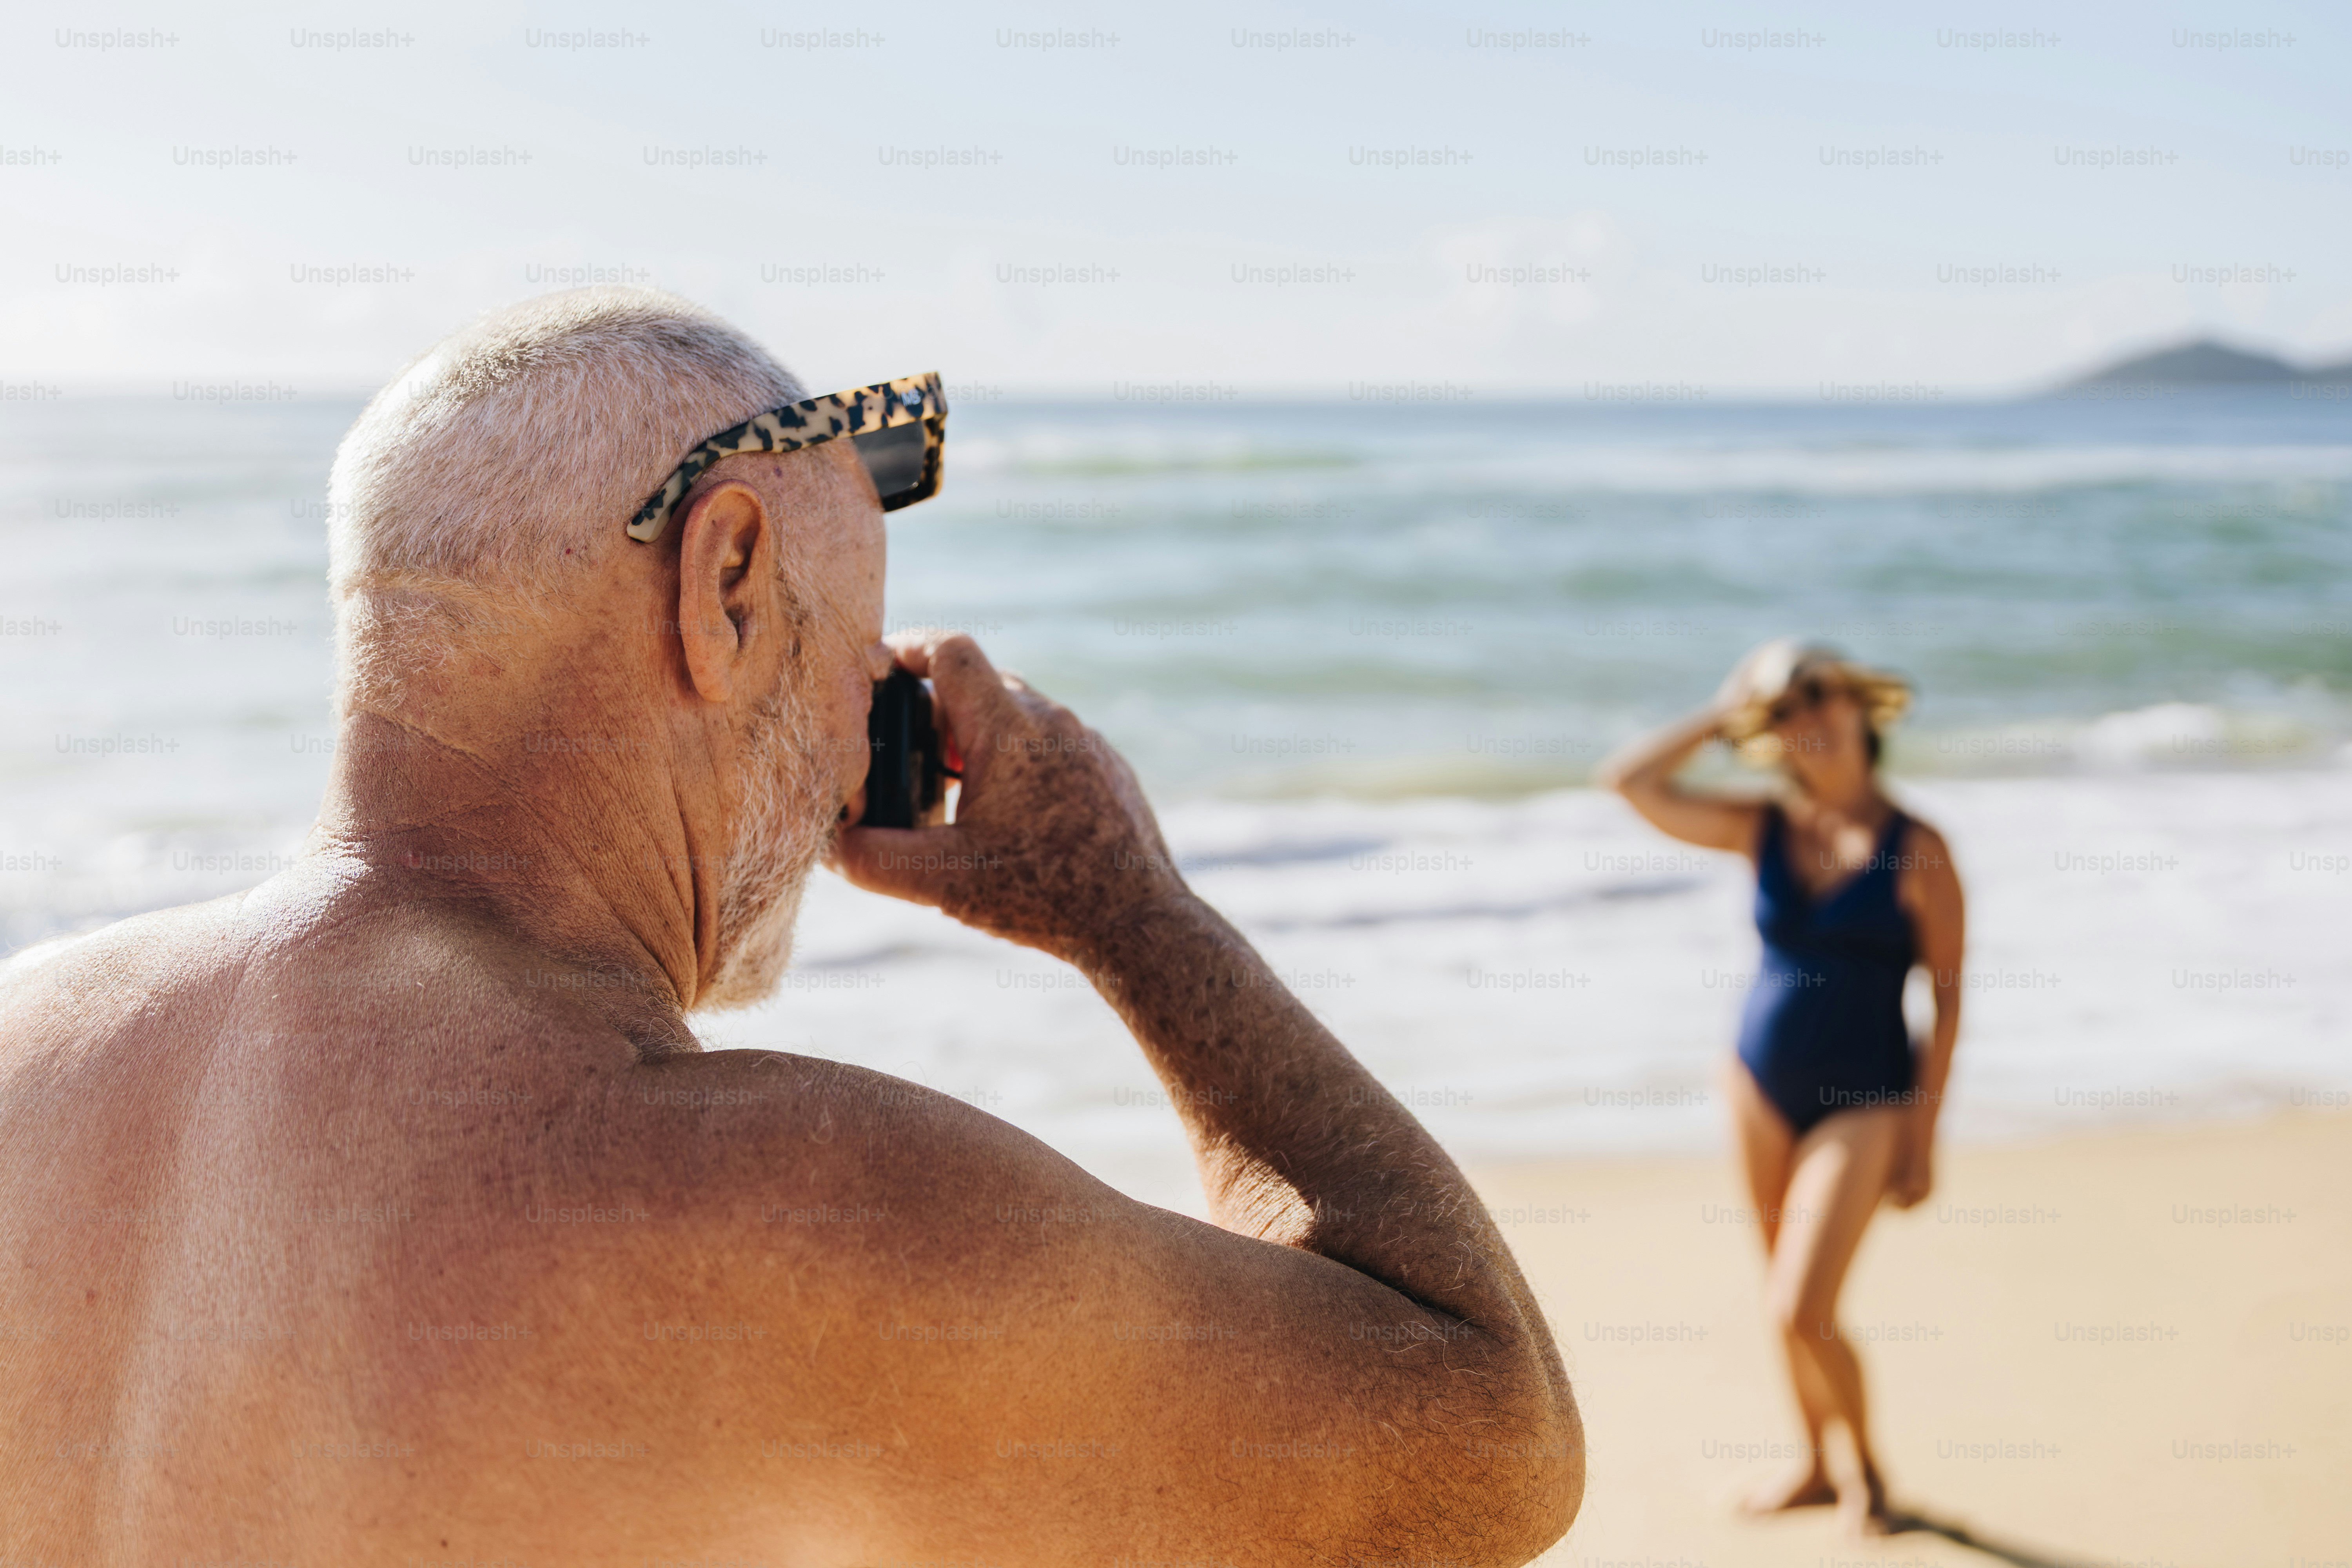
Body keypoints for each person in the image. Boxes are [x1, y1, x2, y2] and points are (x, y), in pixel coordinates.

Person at [0, 289, 1581, 1564]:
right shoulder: (771, 1200)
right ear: (729, 583)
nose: (852, 753)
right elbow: (1489, 1438)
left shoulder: (27, 1043)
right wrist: (1131, 911)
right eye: (858, 665)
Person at [1596, 640, 1964, 1536]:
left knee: (1804, 1302)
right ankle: (1809, 1460)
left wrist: (1923, 1138)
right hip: (1760, 1084)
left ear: (1859, 706)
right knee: (1777, 1296)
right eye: (1784, 707)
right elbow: (1630, 783)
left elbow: (1947, 1001)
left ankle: (1867, 1475)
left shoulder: (1918, 849)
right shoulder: (1764, 825)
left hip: (1870, 1095)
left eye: (1819, 693)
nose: (1805, 715)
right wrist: (1726, 710)